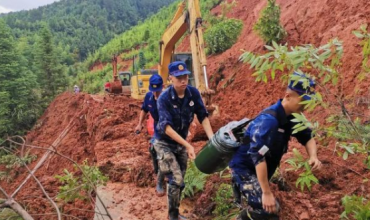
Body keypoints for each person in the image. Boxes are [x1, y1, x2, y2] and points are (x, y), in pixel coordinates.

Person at [229, 72, 322, 220]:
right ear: (288, 96)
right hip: (244, 169)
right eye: (303, 100)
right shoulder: (269, 121)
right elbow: (257, 156)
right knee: (268, 211)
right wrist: (266, 193)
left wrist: (313, 156)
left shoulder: (294, 117)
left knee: (267, 208)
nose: (306, 105)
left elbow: (308, 137)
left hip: (260, 170)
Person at [154, 61, 214, 220]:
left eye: (185, 76)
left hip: (180, 143)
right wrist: (188, 145)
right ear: (171, 79)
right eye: (179, 77)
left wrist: (212, 138)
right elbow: (166, 128)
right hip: (164, 142)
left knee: (181, 181)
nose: (183, 80)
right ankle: (172, 216)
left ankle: (174, 211)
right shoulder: (164, 99)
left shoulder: (193, 93)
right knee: (176, 178)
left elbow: (203, 116)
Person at [135, 74, 165, 196]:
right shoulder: (149, 96)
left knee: (164, 154)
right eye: (154, 91)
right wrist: (139, 124)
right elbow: (144, 109)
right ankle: (158, 172)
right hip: (158, 127)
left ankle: (160, 182)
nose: (155, 94)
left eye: (157, 91)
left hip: (169, 127)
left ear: (162, 87)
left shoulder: (168, 96)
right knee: (153, 149)